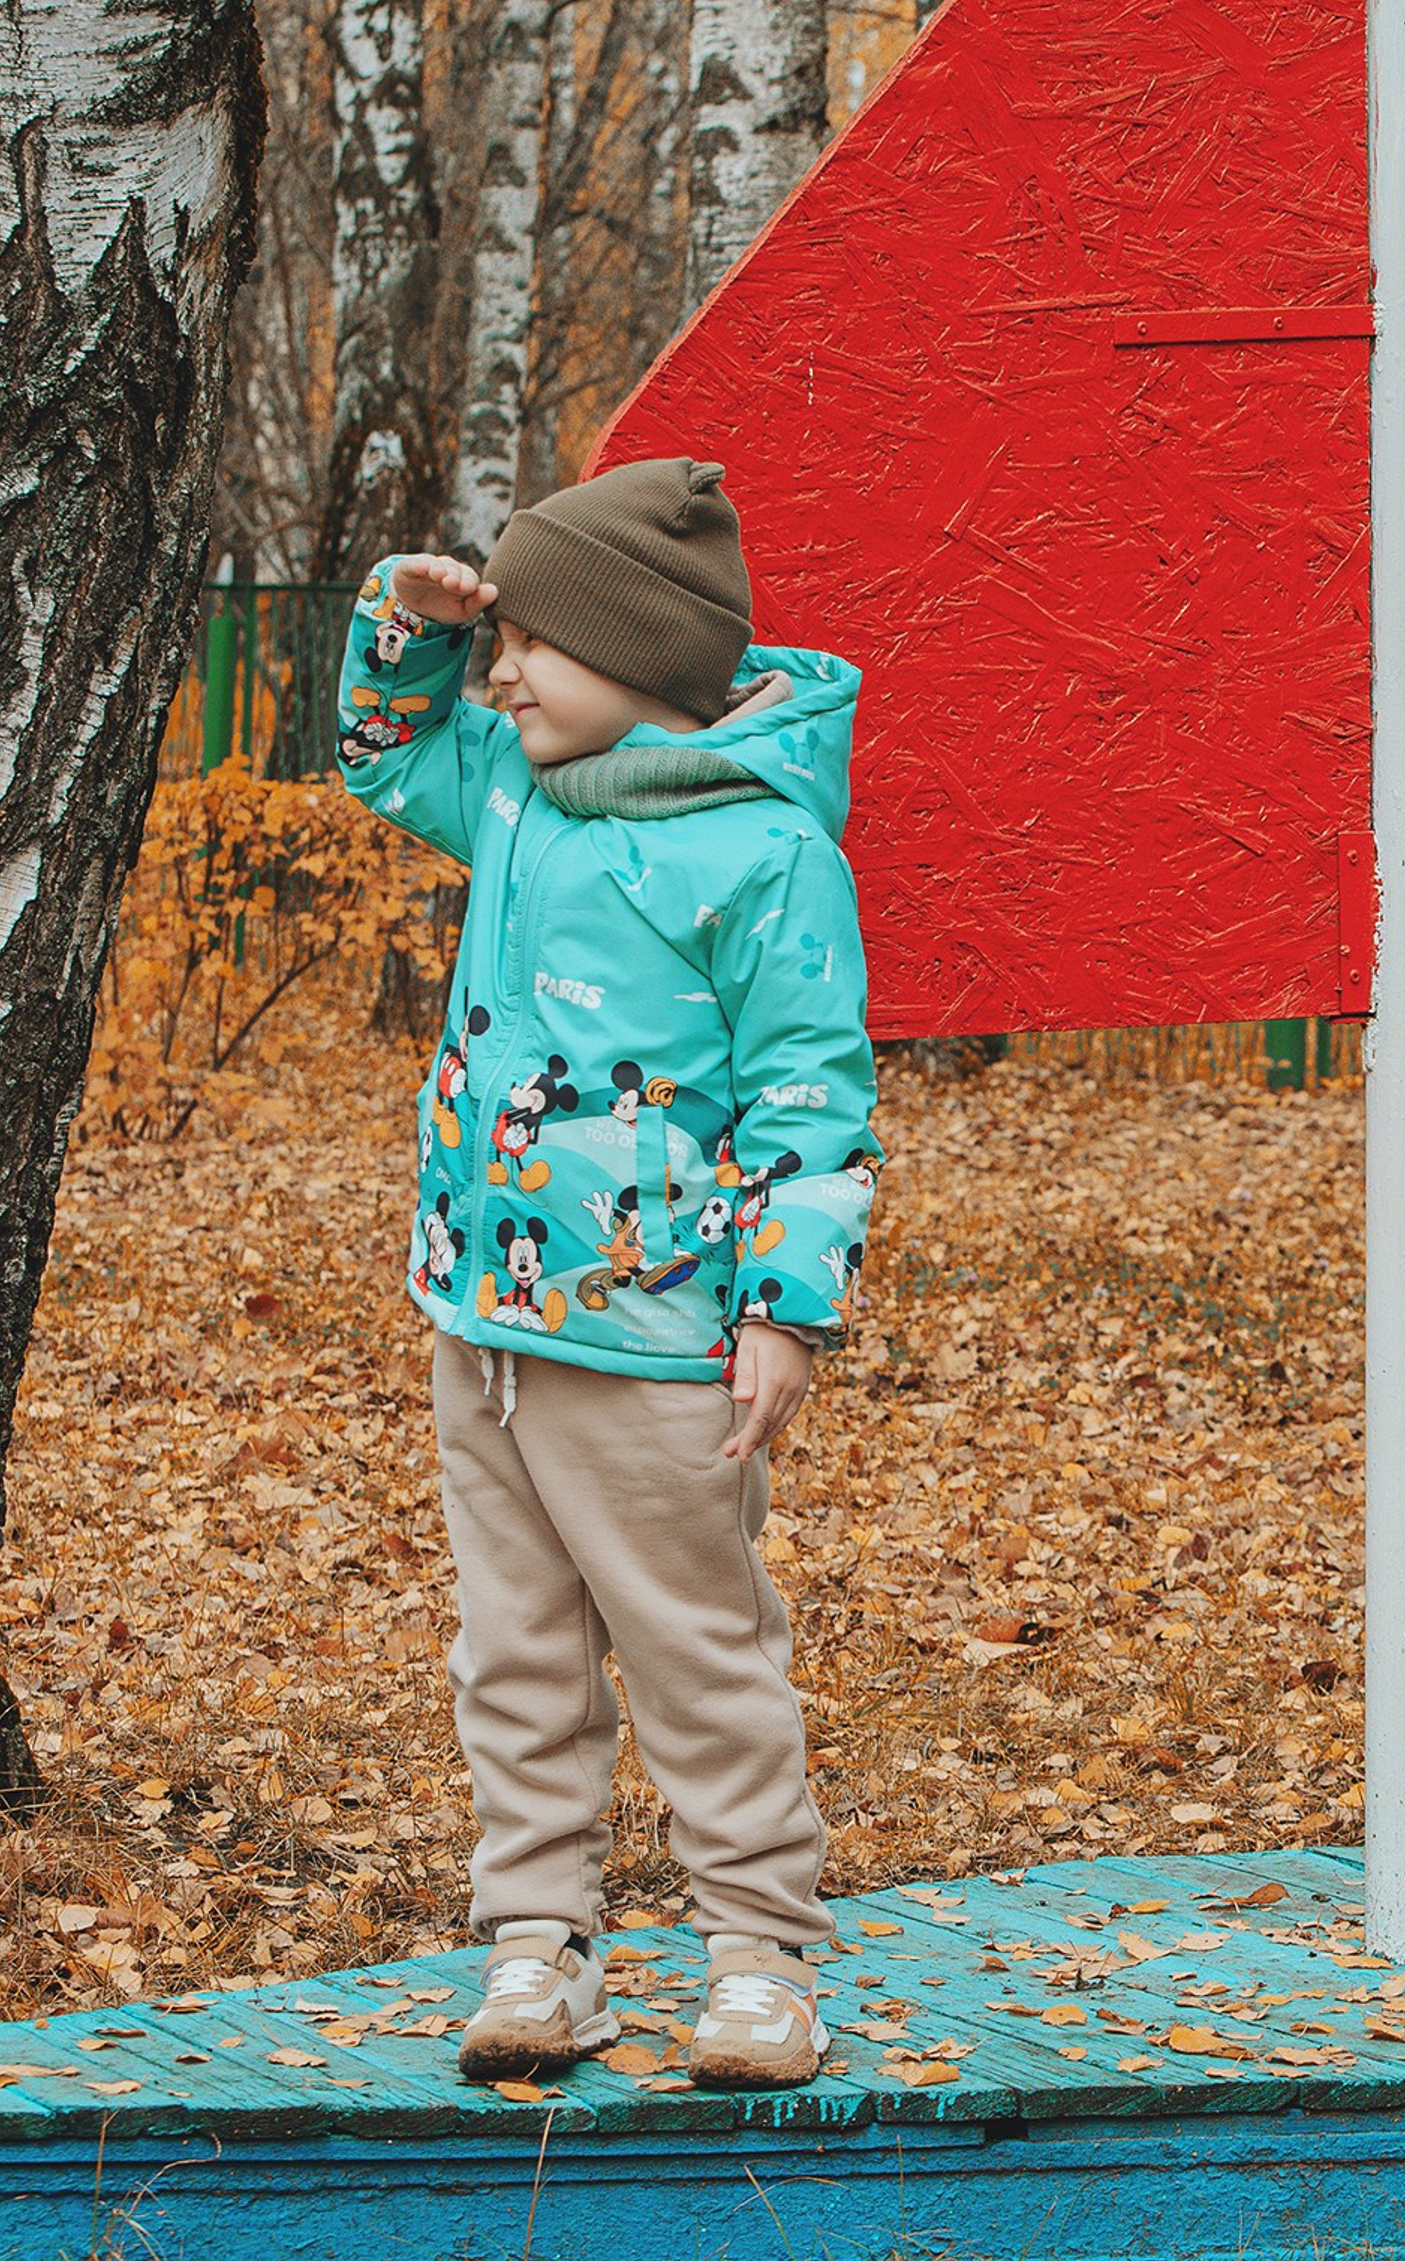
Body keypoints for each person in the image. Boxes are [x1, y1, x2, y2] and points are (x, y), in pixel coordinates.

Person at [335, 458, 879, 2088]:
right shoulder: (505, 778)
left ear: (641, 658)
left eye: (534, 643)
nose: (503, 674)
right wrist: (404, 631)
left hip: (652, 1338)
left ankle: (760, 1958)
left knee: (696, 1646)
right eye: (501, 646)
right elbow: (381, 758)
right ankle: (538, 1945)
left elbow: (810, 1086)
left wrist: (787, 1305)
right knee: (512, 1648)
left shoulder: (761, 853)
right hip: (482, 1320)